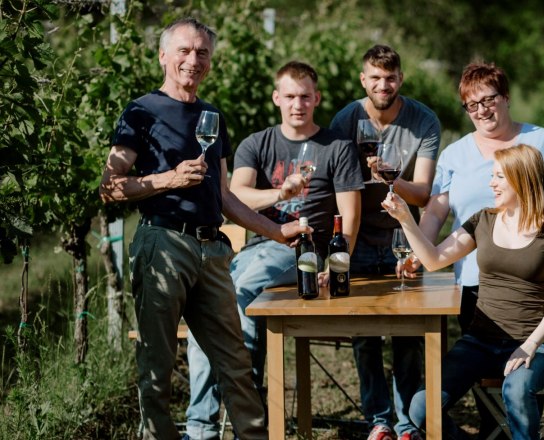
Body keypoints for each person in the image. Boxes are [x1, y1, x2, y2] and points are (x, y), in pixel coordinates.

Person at [99, 18, 310, 440]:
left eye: (202, 53)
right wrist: (167, 179)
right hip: (163, 244)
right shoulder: (141, 111)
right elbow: (109, 186)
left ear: (210, 61)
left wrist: (277, 232)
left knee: (236, 361)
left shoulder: (211, 114)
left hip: (213, 251)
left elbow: (226, 197)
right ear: (163, 56)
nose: (193, 60)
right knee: (156, 367)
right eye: (184, 50)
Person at [184, 61, 363, 439]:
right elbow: (235, 195)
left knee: (238, 298)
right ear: (276, 98)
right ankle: (206, 426)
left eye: (305, 96)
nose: (297, 104)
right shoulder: (257, 142)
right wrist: (279, 194)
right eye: (290, 96)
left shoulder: (337, 147)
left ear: (316, 98)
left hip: (304, 252)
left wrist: (337, 265)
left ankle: (239, 422)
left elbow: (350, 215)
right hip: (258, 245)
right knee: (209, 312)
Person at [383, 145, 544, 440]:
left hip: (534, 345)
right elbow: (434, 260)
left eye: (499, 177)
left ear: (522, 179)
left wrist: (530, 345)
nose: (491, 183)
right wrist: (405, 220)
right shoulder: (483, 220)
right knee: (421, 406)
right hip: (480, 342)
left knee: (516, 389)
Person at [330, 44, 441, 440]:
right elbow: (333, 185)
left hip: (403, 237)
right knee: (364, 334)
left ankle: (408, 423)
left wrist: (389, 177)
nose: (383, 84)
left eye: (390, 78)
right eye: (375, 78)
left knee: (409, 334)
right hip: (358, 238)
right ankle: (379, 422)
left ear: (401, 79)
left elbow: (424, 193)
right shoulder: (345, 119)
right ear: (363, 80)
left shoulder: (423, 121)